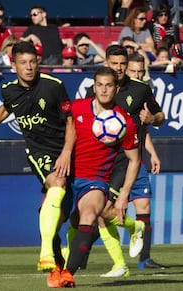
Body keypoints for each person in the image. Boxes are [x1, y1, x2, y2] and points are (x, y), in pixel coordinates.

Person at [0, 41, 75, 288]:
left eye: (32, 62)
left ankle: (58, 268)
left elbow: (70, 123)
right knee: (57, 182)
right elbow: (6, 109)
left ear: (37, 62)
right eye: (23, 63)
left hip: (66, 151)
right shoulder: (9, 90)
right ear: (13, 64)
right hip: (39, 153)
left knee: (58, 215)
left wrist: (67, 152)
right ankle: (45, 254)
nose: (29, 67)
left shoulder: (54, 86)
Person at [58, 66, 141, 287]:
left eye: (109, 85)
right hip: (67, 176)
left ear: (116, 88)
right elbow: (62, 129)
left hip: (95, 180)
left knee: (90, 214)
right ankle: (72, 256)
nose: (104, 90)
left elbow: (134, 160)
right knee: (70, 220)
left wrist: (124, 195)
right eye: (100, 85)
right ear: (93, 87)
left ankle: (68, 274)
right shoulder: (77, 108)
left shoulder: (124, 122)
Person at [94, 44, 167, 276]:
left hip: (133, 158)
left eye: (122, 64)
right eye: (114, 64)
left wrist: (152, 118)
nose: (119, 68)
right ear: (106, 63)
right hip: (106, 161)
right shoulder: (98, 90)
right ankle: (112, 259)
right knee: (103, 212)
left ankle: (144, 258)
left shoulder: (141, 90)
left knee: (143, 205)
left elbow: (158, 118)